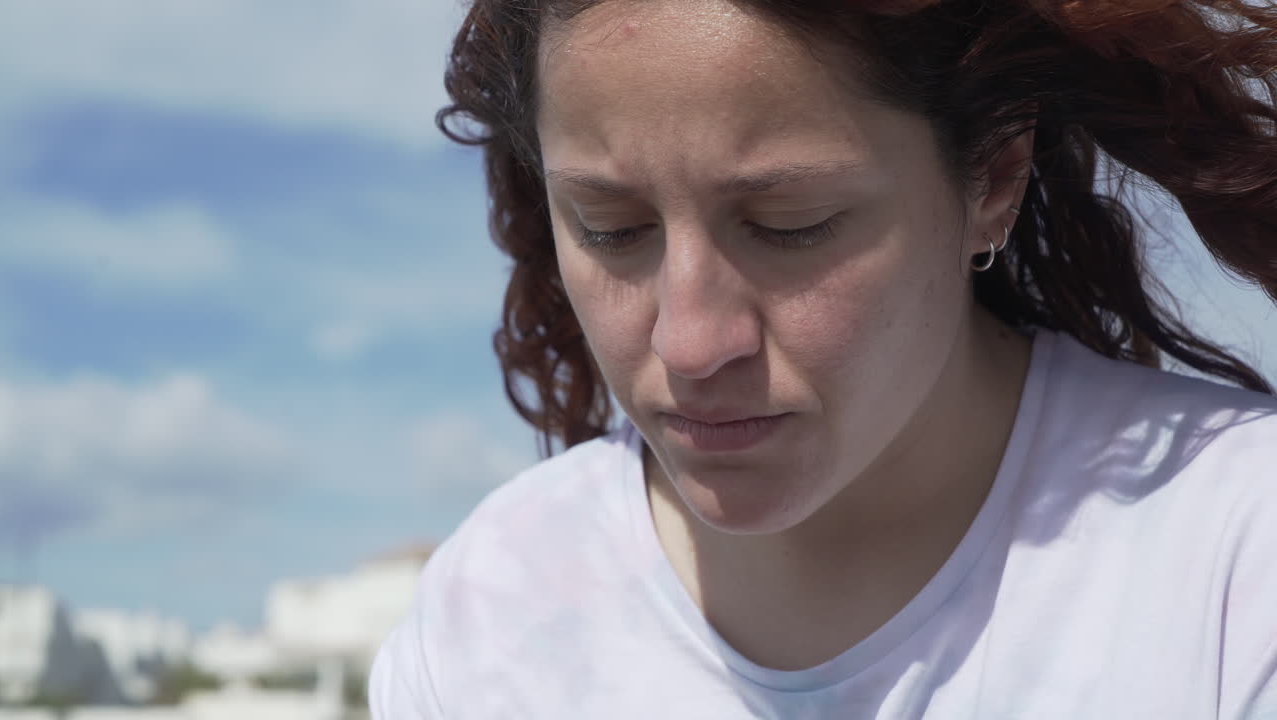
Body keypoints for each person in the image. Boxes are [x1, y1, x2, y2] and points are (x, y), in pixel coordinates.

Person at [370, 0, 1277, 717]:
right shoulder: (488, 611)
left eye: (788, 226)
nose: (689, 343)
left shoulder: (1236, 556)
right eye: (613, 230)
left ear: (994, 178)